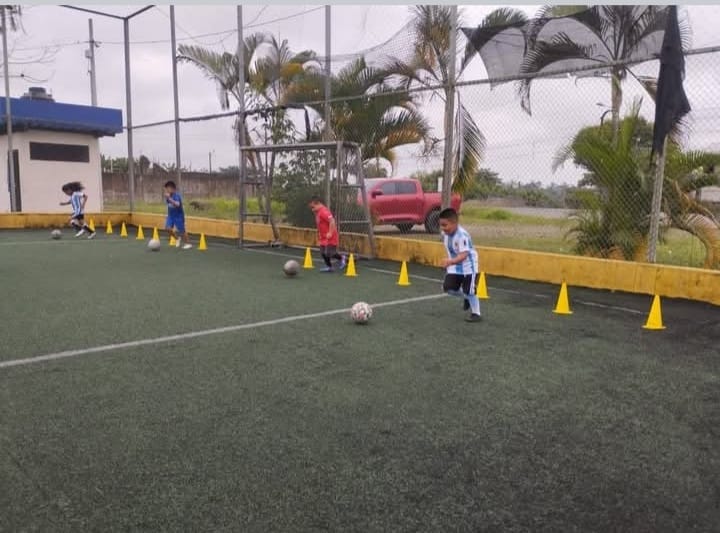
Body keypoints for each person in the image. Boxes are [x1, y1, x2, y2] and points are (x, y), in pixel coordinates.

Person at [438, 207, 482, 322]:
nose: (443, 228)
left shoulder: (462, 236)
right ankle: (466, 297)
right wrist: (449, 263)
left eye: (445, 225)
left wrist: (450, 262)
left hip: (469, 267)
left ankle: (476, 313)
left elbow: (464, 255)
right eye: (441, 225)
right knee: (447, 288)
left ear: (454, 223)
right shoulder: (446, 235)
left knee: (470, 290)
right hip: (455, 267)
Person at [309, 195, 346, 272]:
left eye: (313, 207)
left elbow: (332, 221)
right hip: (323, 237)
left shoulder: (324, 211)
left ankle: (342, 258)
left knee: (330, 253)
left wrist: (330, 232)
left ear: (318, 204)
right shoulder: (317, 212)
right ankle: (330, 267)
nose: (312, 209)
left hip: (331, 236)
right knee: (323, 253)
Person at [164, 180, 192, 250]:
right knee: (167, 228)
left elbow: (177, 204)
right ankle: (177, 239)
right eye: (166, 188)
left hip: (178, 216)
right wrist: (168, 198)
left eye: (168, 188)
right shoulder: (168, 196)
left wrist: (169, 199)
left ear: (172, 188)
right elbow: (169, 204)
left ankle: (188, 243)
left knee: (182, 231)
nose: (167, 190)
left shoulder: (177, 195)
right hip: (170, 216)